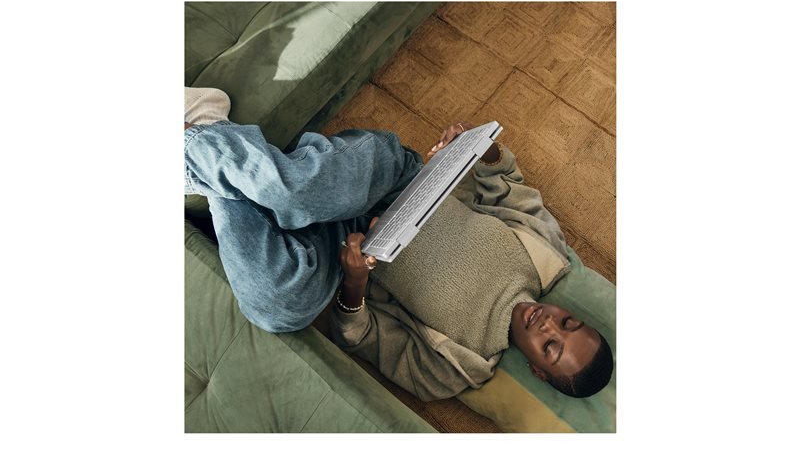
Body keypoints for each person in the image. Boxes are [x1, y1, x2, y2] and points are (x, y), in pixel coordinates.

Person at [184, 87, 613, 402]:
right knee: (293, 194)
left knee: (281, 307)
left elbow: (359, 335)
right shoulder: (545, 254)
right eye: (568, 323)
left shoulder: (457, 369)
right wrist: (474, 146)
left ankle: (207, 130)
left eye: (551, 347)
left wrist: (354, 280)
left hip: (345, 244)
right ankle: (200, 147)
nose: (549, 325)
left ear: (537, 370)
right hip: (387, 177)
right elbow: (504, 178)